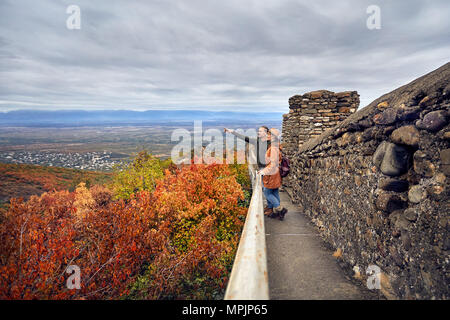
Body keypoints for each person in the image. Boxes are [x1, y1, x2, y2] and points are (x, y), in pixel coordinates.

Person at [256, 128, 288, 220]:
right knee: (274, 191)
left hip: (272, 174)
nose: (267, 136)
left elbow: (273, 164)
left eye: (269, 135)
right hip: (275, 174)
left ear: (273, 137)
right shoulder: (275, 146)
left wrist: (263, 171)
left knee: (267, 192)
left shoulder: (273, 148)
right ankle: (276, 212)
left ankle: (280, 209)